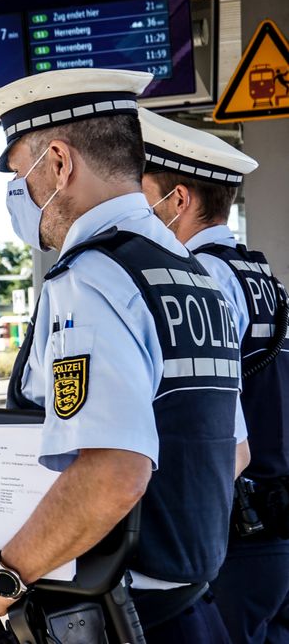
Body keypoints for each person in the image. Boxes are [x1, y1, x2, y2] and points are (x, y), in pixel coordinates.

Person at [0, 68, 241, 643]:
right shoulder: (192, 274)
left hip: (115, 611)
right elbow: (229, 448)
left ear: (58, 163)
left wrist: (1, 578)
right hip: (189, 604)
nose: (17, 192)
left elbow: (114, 472)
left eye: (19, 172)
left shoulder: (93, 278)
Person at [139, 108, 289, 643]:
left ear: (177, 200)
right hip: (273, 522)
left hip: (236, 532)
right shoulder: (260, 274)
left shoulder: (199, 279)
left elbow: (224, 434)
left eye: (143, 195)